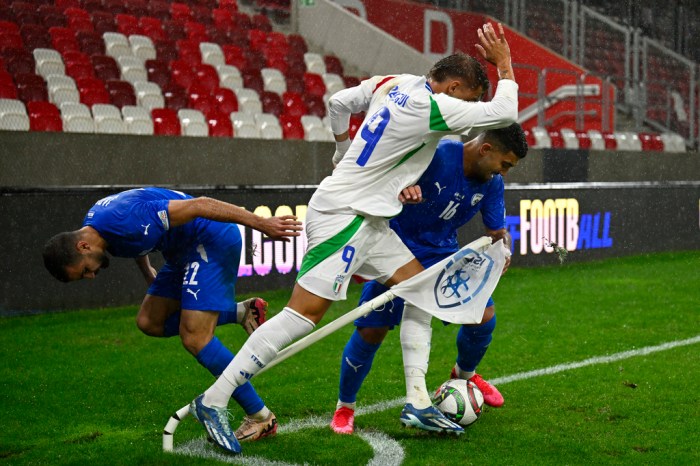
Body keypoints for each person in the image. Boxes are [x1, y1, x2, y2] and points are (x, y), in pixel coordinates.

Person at [191, 22, 519, 454]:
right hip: (344, 217)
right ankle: (213, 400)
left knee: (419, 287)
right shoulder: (432, 106)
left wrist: (341, 150)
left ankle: (417, 401)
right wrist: (506, 67)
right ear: (454, 86)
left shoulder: (394, 82)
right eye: (470, 98)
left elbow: (339, 102)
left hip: (371, 219)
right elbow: (505, 113)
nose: (469, 110)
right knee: (301, 316)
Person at [42, 187, 303, 442]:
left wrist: (261, 224)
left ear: (83, 246)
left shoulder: (126, 219)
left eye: (85, 270)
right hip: (180, 251)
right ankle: (241, 312)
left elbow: (199, 205)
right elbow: (135, 243)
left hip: (210, 240)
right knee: (149, 321)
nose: (90, 276)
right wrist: (147, 273)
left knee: (195, 337)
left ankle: (260, 416)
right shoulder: (98, 228)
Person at [330, 123, 528, 434]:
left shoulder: (492, 182)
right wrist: (400, 191)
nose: (504, 172)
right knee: (372, 332)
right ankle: (345, 406)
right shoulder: (433, 154)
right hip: (395, 250)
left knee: (483, 317)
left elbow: (495, 230)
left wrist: (504, 243)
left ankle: (464, 374)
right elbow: (378, 182)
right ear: (485, 149)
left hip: (442, 255)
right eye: (505, 164)